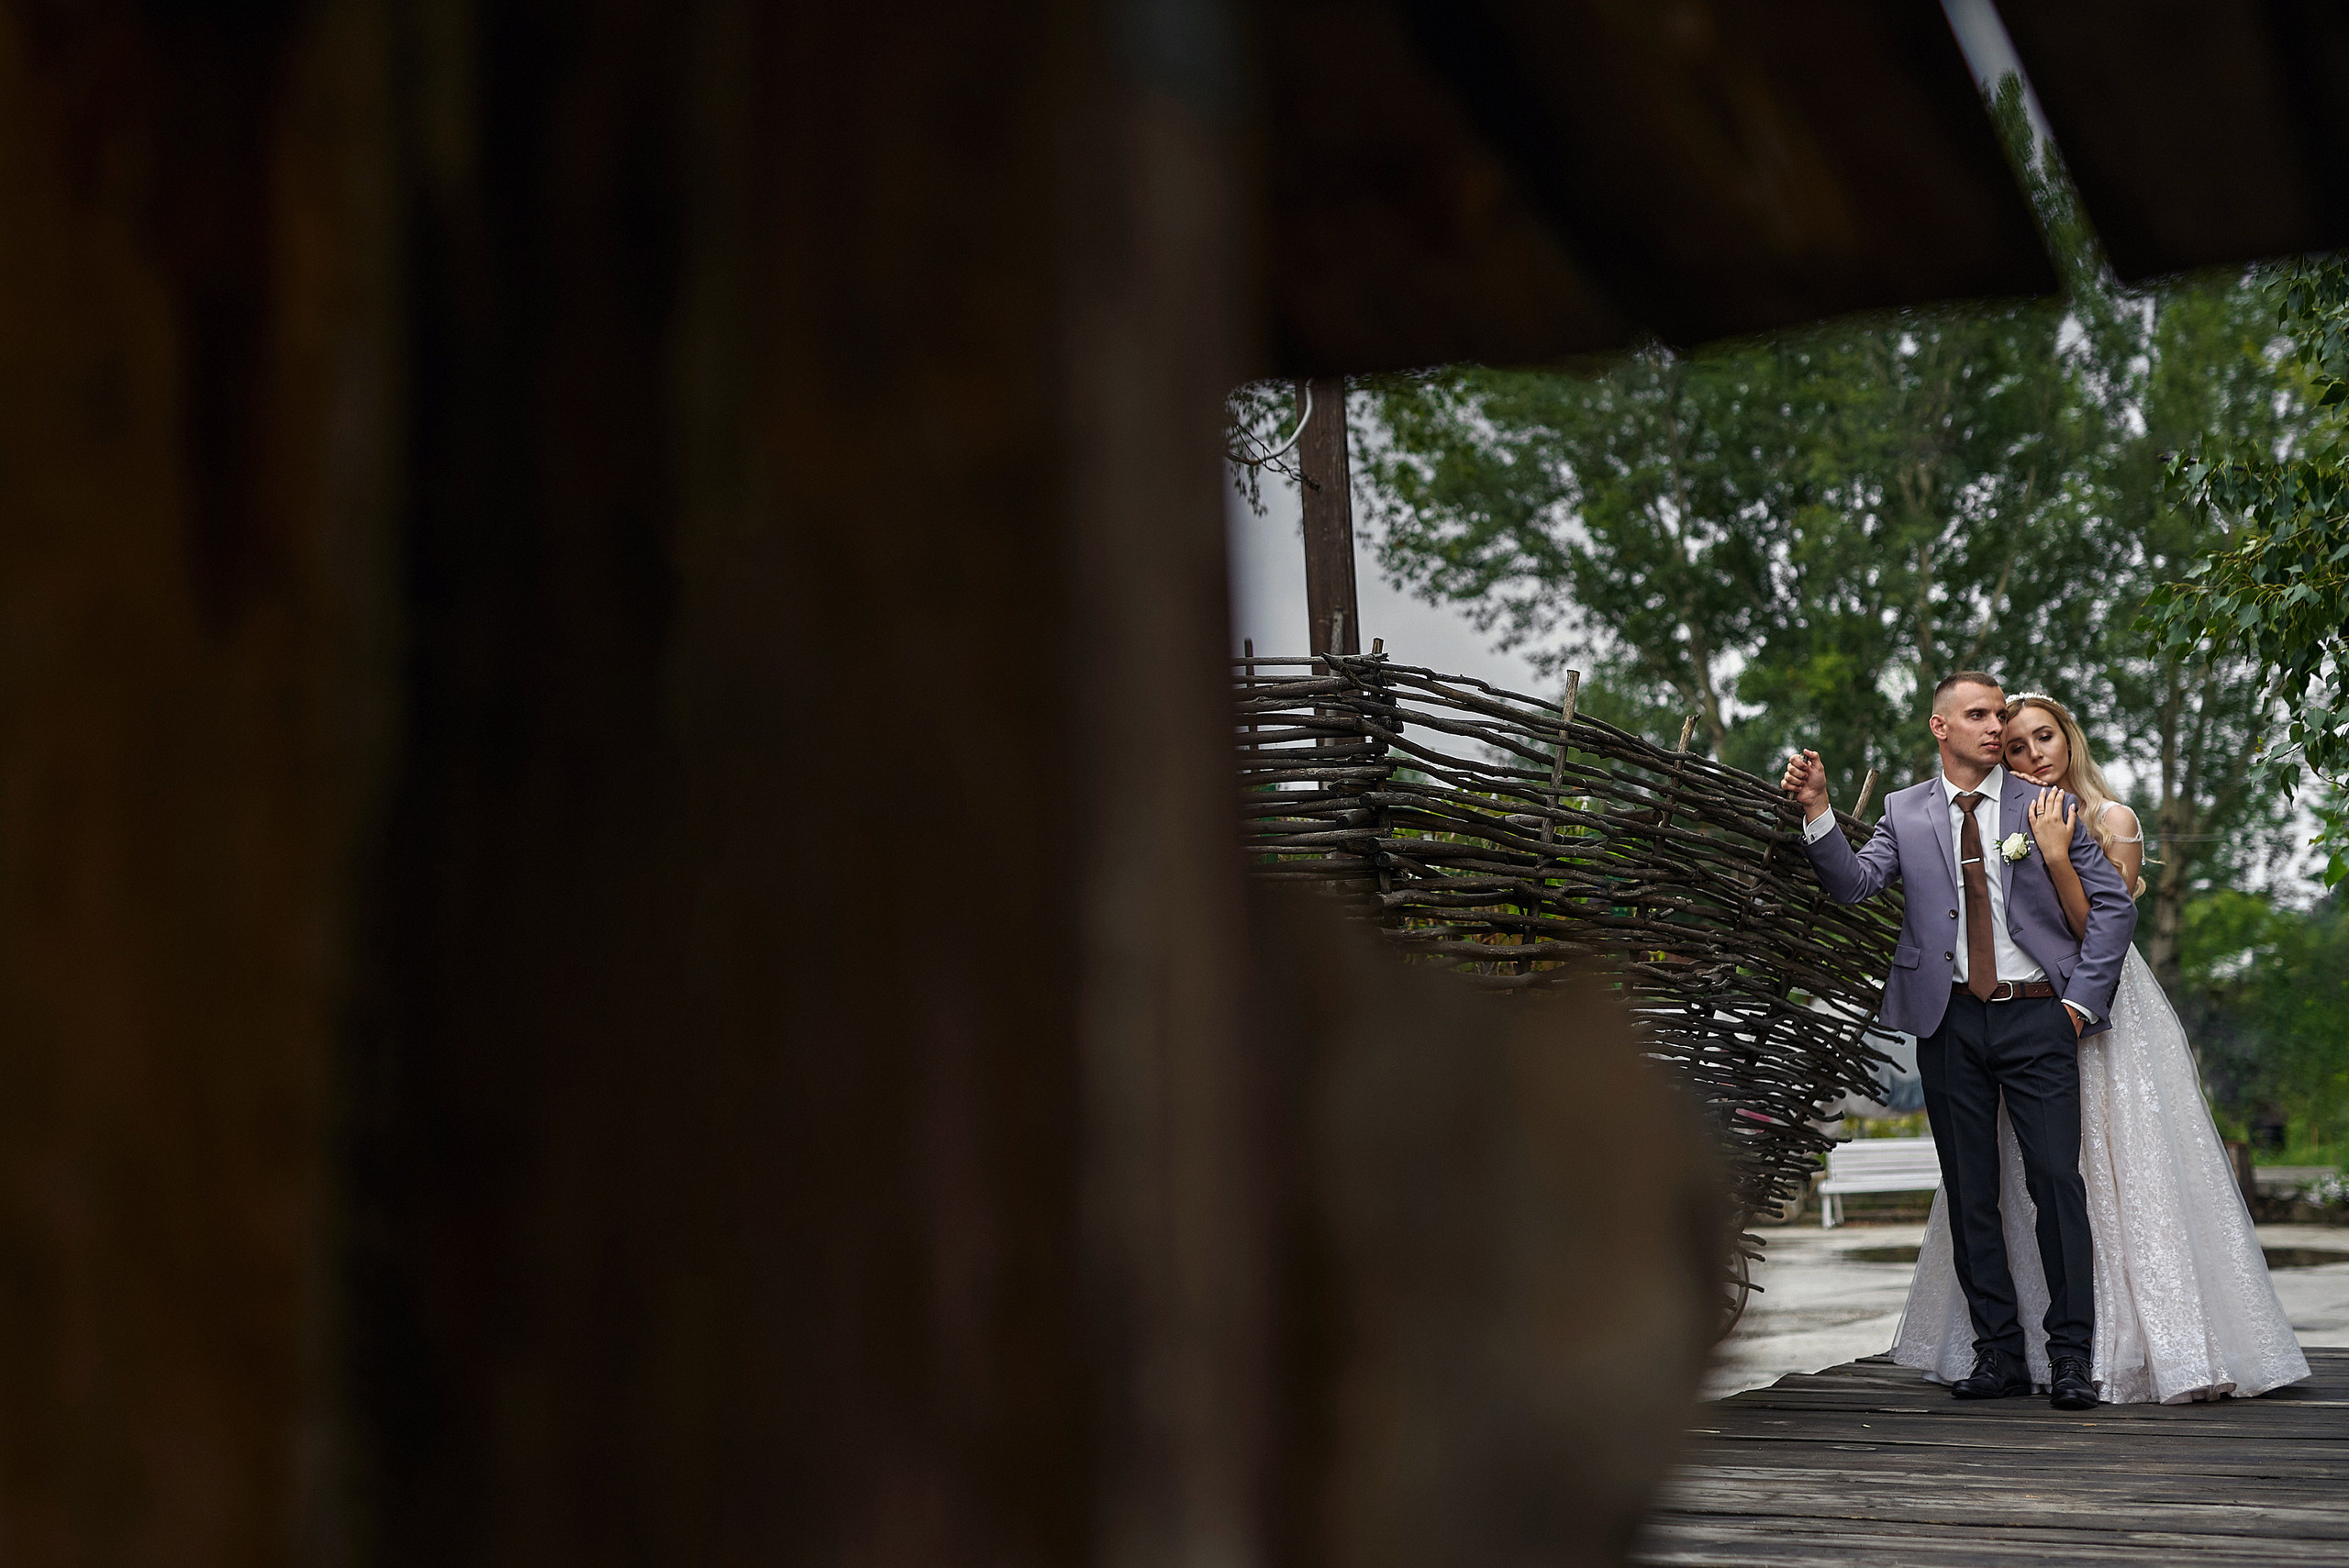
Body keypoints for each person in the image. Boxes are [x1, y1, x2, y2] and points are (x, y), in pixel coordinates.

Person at [1892, 693, 2310, 1404]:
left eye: (2043, 737)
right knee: (2010, 1179)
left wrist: (2058, 856)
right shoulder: (2004, 815)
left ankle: (2131, 1342)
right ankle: (2017, 1347)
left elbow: (2100, 932)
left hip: (2101, 1006)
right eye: (2016, 746)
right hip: (2022, 1020)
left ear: (2070, 739)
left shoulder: (2112, 818)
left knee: (2108, 1173)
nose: (2032, 754)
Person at [1780, 673, 2135, 1411]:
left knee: (2055, 1182)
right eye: (1978, 714)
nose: (1996, 726)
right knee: (1973, 1191)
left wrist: (2078, 1004)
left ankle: (2070, 1355)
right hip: (1948, 1021)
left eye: (1999, 714)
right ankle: (1998, 1353)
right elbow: (1855, 884)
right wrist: (1817, 810)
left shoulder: (2046, 804)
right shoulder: (1904, 810)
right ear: (1940, 726)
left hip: (2038, 1015)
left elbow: (2112, 910)